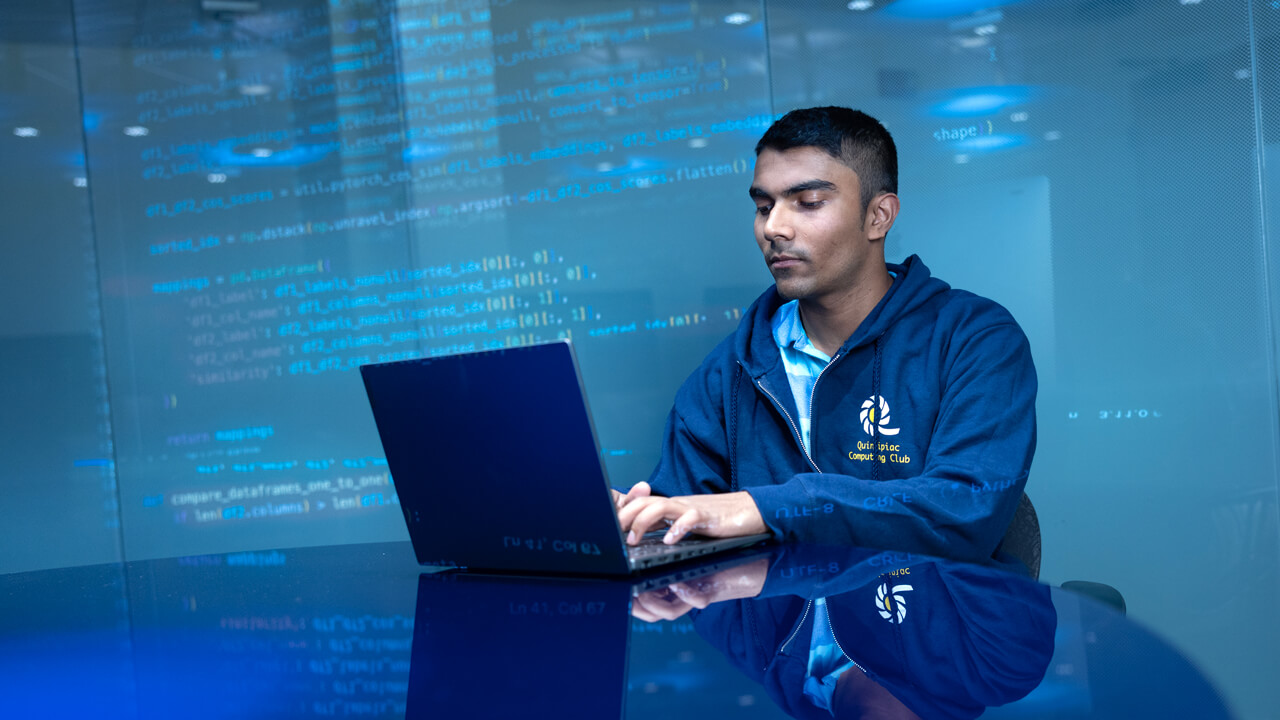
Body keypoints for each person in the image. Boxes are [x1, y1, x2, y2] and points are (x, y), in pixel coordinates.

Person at [615, 106, 1037, 564]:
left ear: (879, 216)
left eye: (808, 202)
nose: (773, 227)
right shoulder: (728, 372)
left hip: (931, 625)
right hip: (776, 631)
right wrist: (644, 522)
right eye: (763, 207)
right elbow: (688, 525)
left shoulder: (974, 340)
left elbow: (964, 511)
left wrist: (769, 507)